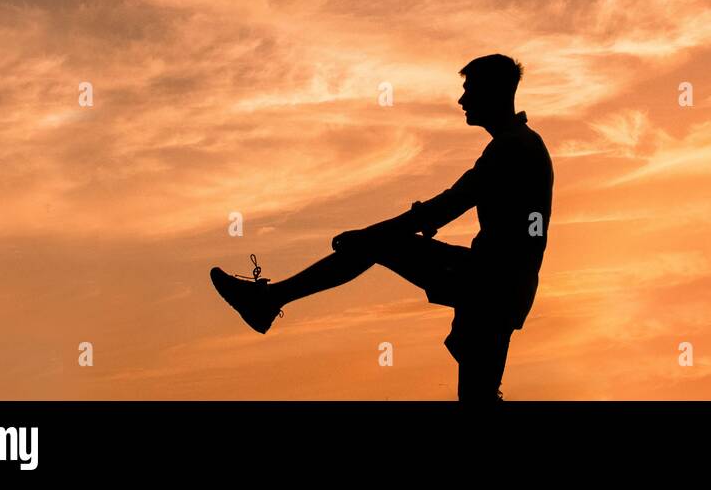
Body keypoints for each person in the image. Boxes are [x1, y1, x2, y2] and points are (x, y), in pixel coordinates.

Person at [210, 54, 553, 401]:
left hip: (489, 283)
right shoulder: (517, 144)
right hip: (496, 287)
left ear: (492, 92)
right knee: (477, 395)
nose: (462, 100)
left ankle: (269, 300)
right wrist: (385, 233)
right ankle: (269, 300)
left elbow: (446, 207)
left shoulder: (512, 148)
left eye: (469, 90)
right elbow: (445, 207)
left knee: (382, 245)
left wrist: (370, 236)